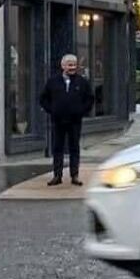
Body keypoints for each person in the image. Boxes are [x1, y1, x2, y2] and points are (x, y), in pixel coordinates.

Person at [39, 54, 94, 187]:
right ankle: (57, 175)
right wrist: (52, 110)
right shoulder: (53, 81)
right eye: (69, 65)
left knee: (74, 148)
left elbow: (90, 99)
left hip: (75, 121)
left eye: (74, 65)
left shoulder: (82, 82)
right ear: (63, 66)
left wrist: (81, 111)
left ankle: (74, 175)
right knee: (57, 148)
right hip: (58, 121)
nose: (72, 67)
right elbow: (43, 98)